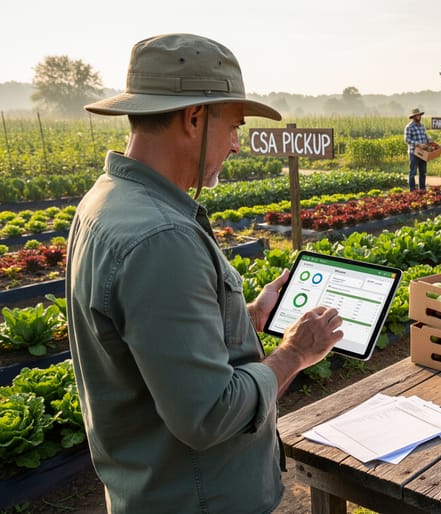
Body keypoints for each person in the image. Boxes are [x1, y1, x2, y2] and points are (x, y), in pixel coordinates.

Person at [65, 33, 345, 512]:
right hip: (200, 498)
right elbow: (209, 415)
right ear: (194, 118)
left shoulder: (107, 202)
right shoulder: (160, 238)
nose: (237, 145)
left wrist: (249, 316)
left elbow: (154, 344)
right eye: (233, 126)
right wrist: (294, 352)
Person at [405, 107, 433, 191]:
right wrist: (418, 144)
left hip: (423, 152)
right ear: (413, 117)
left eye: (420, 115)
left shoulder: (422, 126)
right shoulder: (409, 127)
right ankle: (412, 191)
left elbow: (425, 136)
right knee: (413, 172)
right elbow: (407, 140)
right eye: (417, 115)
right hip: (414, 152)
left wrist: (429, 139)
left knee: (423, 172)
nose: (419, 117)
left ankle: (422, 190)